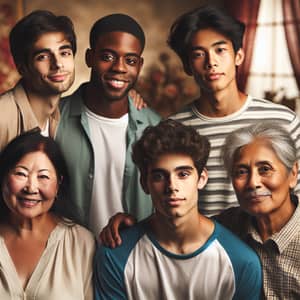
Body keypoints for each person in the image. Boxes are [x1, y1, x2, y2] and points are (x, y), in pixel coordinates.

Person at [94, 119, 262, 299]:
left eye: (183, 174)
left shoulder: (241, 261)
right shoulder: (115, 255)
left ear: (202, 178)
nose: (171, 186)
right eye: (159, 176)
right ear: (144, 183)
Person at [167, 5, 300, 216]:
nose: (211, 62)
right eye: (199, 54)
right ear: (187, 66)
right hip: (205, 246)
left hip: (270, 245)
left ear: (238, 56)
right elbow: (166, 203)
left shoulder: (283, 120)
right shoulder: (173, 130)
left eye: (220, 50)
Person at [56, 13, 161, 236]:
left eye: (130, 60)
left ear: (140, 66)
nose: (119, 68)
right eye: (108, 57)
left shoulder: (155, 128)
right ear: (89, 58)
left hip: (133, 258)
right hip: (68, 254)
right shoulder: (54, 118)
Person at [0, 129, 95, 300]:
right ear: (3, 178)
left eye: (43, 176)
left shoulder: (82, 243)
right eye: (21, 174)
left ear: (59, 184)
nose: (31, 188)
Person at [218, 122, 300, 299]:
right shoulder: (227, 226)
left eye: (265, 169)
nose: (253, 182)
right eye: (241, 171)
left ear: (293, 174)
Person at [0, 10, 76, 150]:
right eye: (43, 56)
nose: (58, 64)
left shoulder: (61, 116)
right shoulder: (2, 117)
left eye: (64, 53)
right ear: (22, 68)